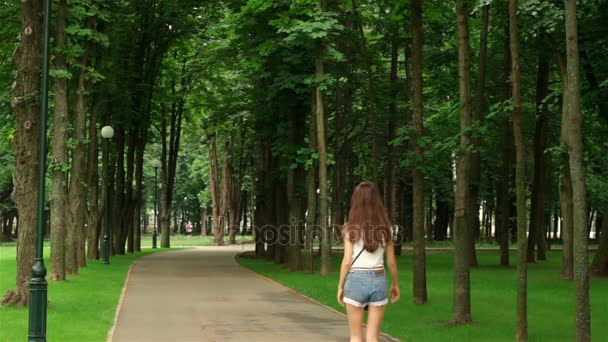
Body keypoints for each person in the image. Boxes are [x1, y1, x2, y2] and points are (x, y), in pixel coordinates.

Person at [337, 181, 400, 342]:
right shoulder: (386, 228)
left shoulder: (350, 228)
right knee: (373, 337)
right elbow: (391, 262)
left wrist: (341, 286)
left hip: (356, 280)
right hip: (379, 280)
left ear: (355, 201)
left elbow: (346, 261)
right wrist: (395, 285)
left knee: (356, 336)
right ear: (376, 200)